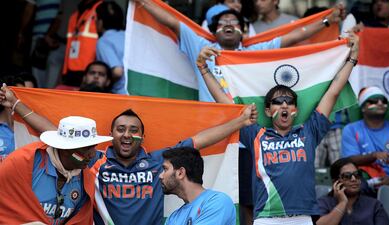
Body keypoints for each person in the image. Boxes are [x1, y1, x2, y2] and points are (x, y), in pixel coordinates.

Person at [196, 31, 359, 224]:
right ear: (267, 111)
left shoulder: (309, 131)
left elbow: (333, 92)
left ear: (295, 110)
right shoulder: (254, 134)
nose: (283, 105)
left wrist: (352, 58)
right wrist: (203, 68)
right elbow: (224, 102)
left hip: (302, 218)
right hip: (266, 218)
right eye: (277, 101)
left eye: (289, 101)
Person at [133, 0, 344, 102]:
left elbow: (295, 37)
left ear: (243, 30)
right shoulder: (201, 48)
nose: (228, 24)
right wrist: (143, 2)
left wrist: (327, 21)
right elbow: (171, 21)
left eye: (234, 22)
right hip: (210, 126)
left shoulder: (254, 51)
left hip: (245, 127)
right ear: (213, 31)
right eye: (222, 22)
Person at [91, 105, 258, 225]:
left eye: (133, 130)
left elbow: (199, 141)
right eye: (121, 129)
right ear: (110, 134)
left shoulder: (157, 162)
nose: (127, 134)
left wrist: (241, 122)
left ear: (142, 137)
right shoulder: (93, 160)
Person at [0, 115, 113, 224]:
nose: (93, 154)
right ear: (65, 149)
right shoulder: (22, 163)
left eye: (94, 146)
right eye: (86, 148)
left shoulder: (85, 179)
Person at [341, 86, 389, 190]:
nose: (380, 103)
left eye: (383, 101)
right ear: (363, 107)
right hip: (363, 183)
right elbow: (349, 160)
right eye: (373, 101)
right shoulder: (351, 129)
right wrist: (374, 156)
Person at [161, 147, 236, 225]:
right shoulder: (173, 217)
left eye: (165, 169)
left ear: (180, 173)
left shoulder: (218, 201)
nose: (161, 176)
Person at [317, 157, 389, 225]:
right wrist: (342, 203)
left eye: (357, 174)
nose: (353, 179)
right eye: (347, 176)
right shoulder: (324, 203)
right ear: (335, 182)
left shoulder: (374, 205)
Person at [0, 81, 55, 162]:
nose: (26, 101)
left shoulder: (39, 129)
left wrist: (15, 103)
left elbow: (54, 133)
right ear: (5, 96)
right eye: (22, 95)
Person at [62, 0, 102, 87]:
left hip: (90, 69)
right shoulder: (75, 14)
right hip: (71, 68)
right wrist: (65, 71)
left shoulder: (101, 8)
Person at [95, 1, 127, 95]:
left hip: (121, 94)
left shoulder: (104, 41)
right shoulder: (130, 37)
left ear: (100, 22)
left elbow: (117, 72)